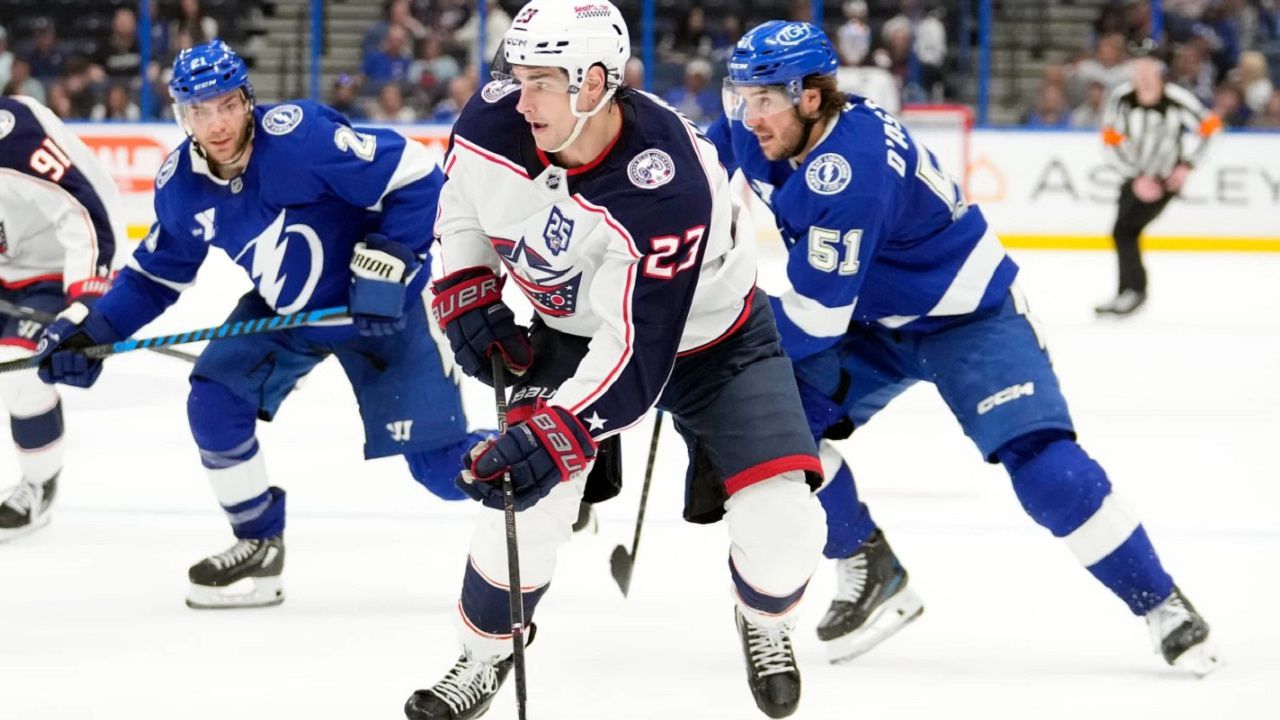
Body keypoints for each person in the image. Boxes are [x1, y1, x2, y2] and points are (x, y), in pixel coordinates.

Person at [709, 21, 1221, 677]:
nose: (749, 117)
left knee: (1049, 470)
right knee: (763, 430)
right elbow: (693, 161)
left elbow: (812, 321)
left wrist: (707, 327)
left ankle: (1162, 604)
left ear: (811, 98)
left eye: (764, 100)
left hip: (967, 318)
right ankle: (870, 568)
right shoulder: (771, 128)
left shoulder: (851, 172)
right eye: (742, 96)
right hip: (872, 319)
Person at [403, 2, 827, 718]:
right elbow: (464, 198)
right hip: (574, 331)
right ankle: (482, 656)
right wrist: (463, 283)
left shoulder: (669, 183)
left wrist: (559, 428)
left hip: (711, 339)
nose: (518, 95)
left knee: (784, 524)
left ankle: (764, 621)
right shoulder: (496, 116)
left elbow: (638, 349)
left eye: (541, 81)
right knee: (526, 498)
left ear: (595, 83)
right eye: (517, 74)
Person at [34, 39, 490, 609]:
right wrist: (94, 328)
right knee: (214, 400)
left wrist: (391, 259)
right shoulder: (180, 187)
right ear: (181, 114)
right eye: (199, 110)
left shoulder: (301, 138)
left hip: (379, 310)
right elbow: (156, 276)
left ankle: (544, 462)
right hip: (287, 312)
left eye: (226, 104)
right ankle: (258, 545)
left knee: (442, 470)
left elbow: (418, 176)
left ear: (246, 99)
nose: (216, 122)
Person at [0, 94, 123, 541]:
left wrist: (86, 300)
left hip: (53, 266)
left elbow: (88, 210)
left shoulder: (14, 134)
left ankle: (38, 482)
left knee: (19, 371)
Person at [1096, 43, 1219, 316]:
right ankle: (1129, 291)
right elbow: (1109, 139)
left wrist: (1186, 166)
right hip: (1134, 177)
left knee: (1124, 231)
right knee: (1123, 232)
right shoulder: (1122, 99)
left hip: (1165, 181)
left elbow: (1210, 127)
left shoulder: (1175, 98)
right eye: (1136, 65)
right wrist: (1135, 176)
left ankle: (1133, 292)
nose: (1141, 72)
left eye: (1147, 64)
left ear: (1158, 67)